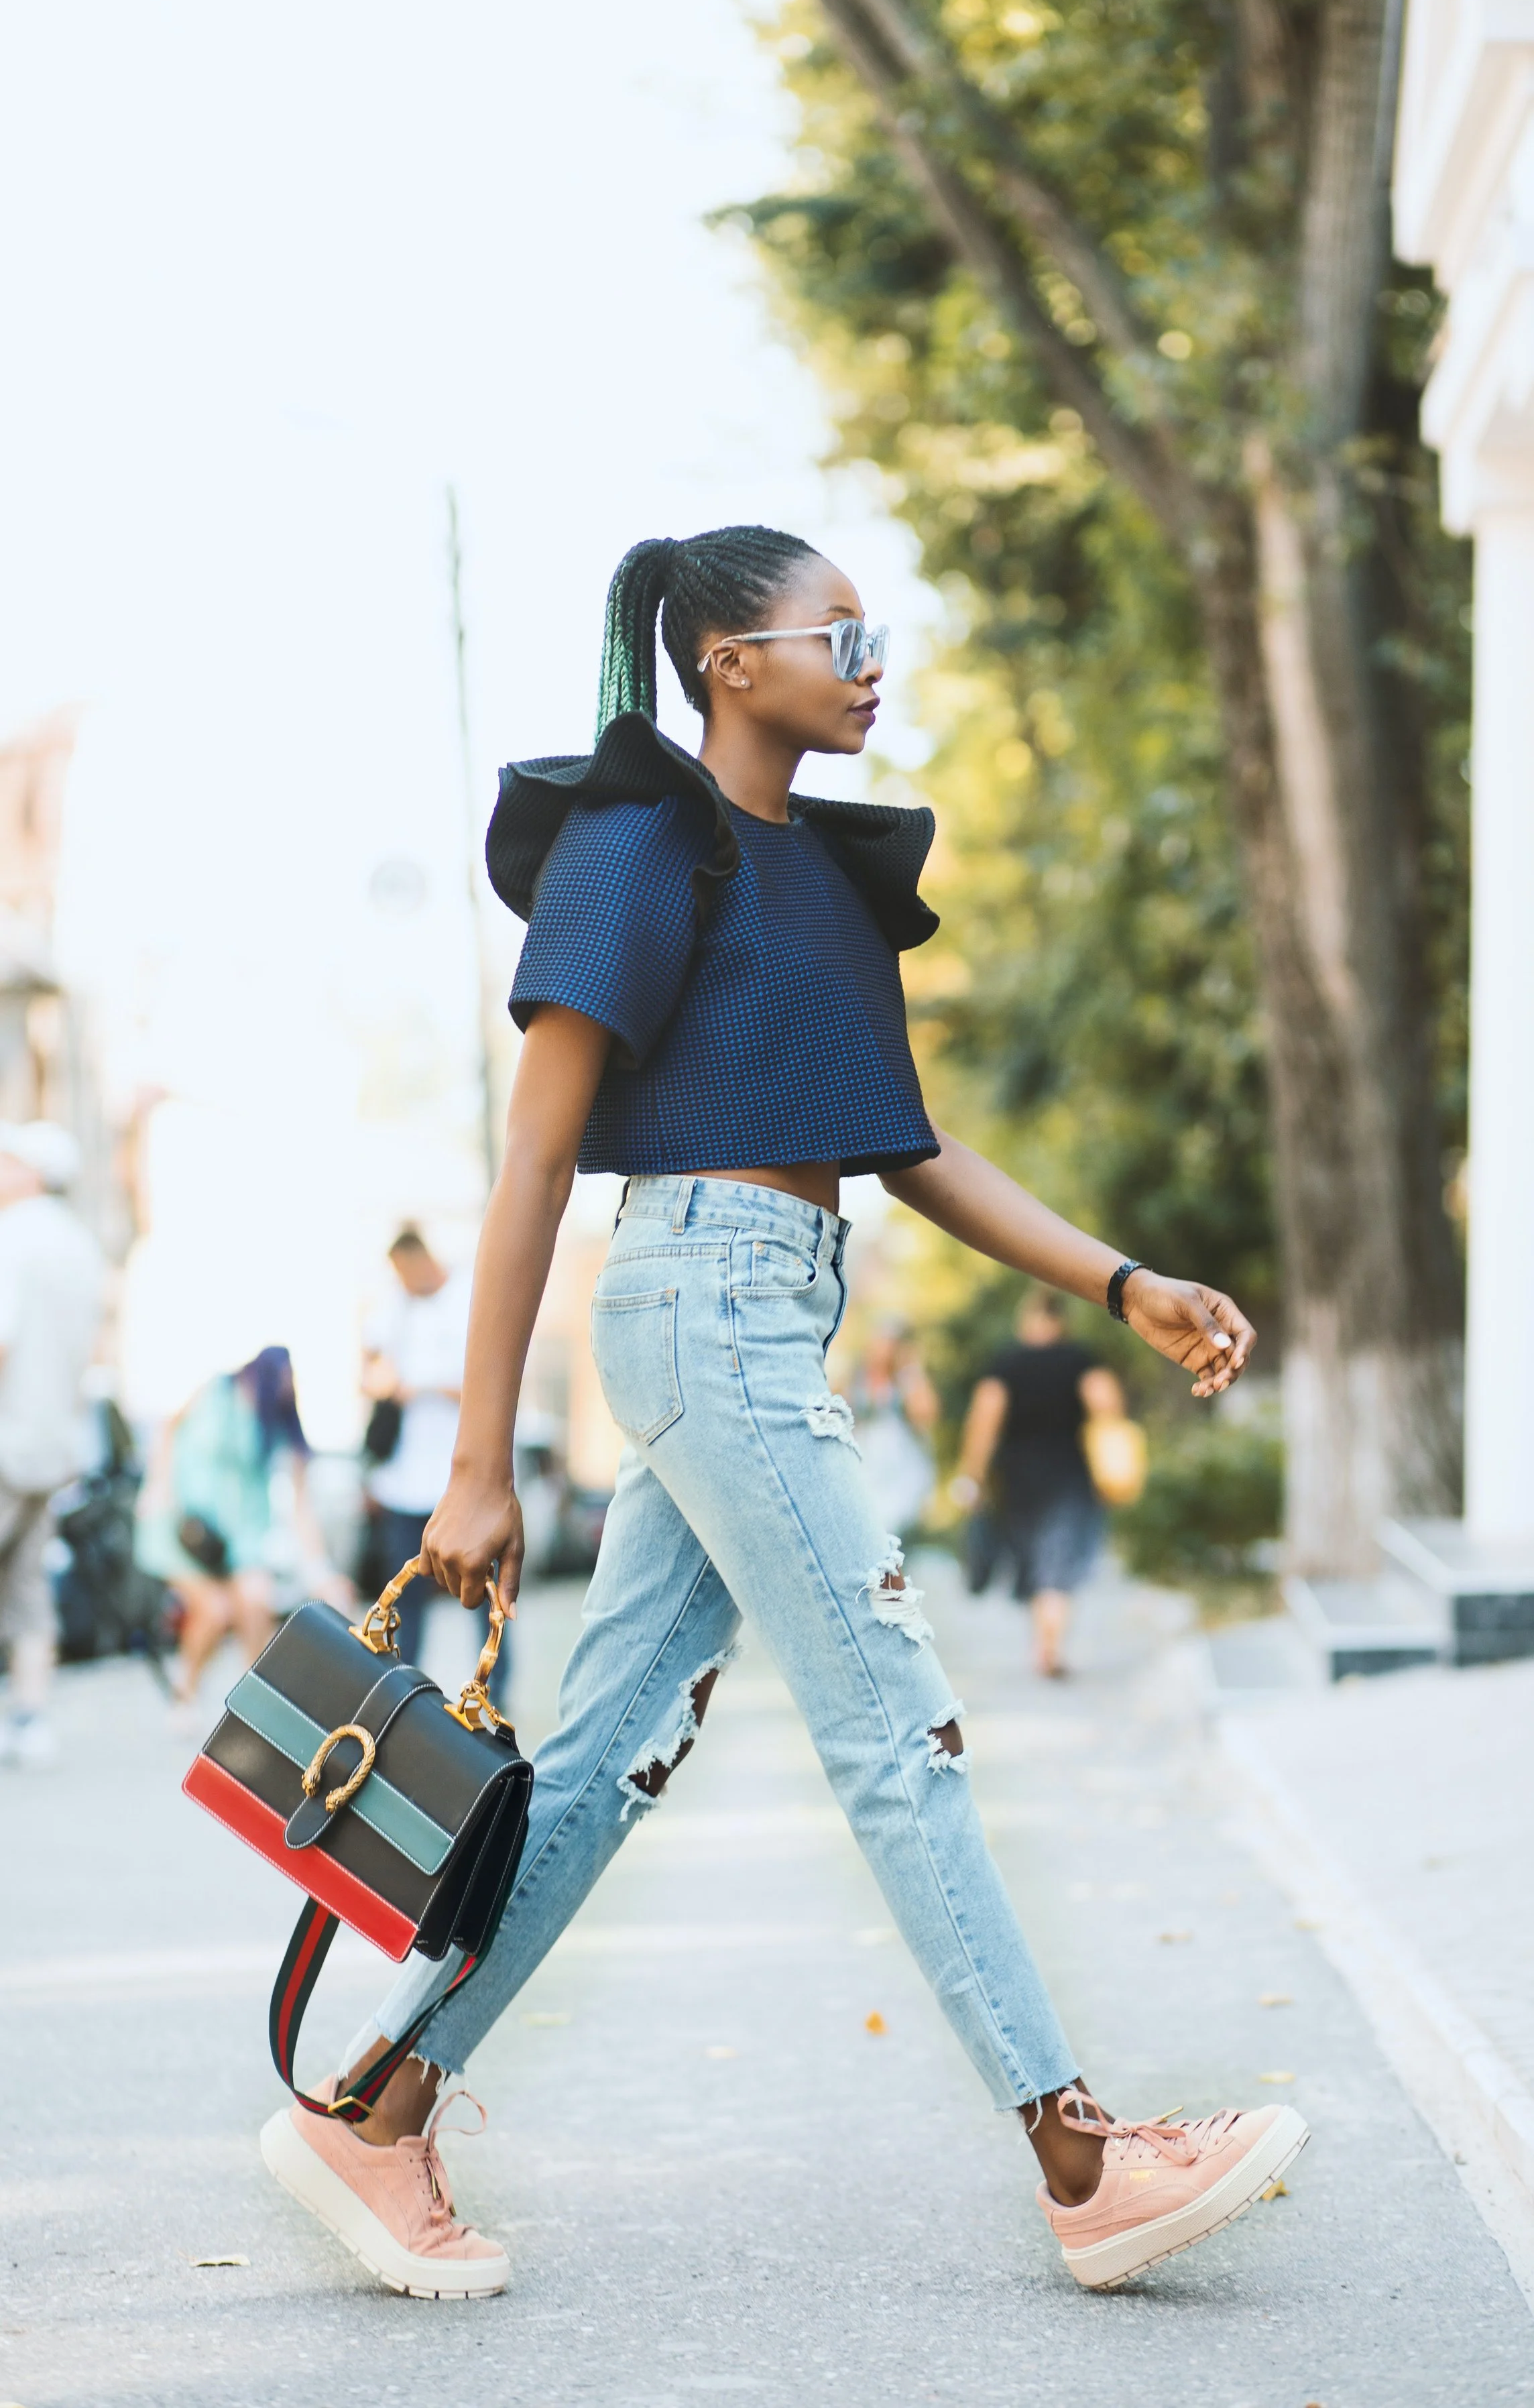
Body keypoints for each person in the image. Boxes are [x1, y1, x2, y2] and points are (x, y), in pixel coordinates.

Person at [259, 525, 1301, 2304]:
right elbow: (532, 1155)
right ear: (729, 660)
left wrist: (1123, 1282)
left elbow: (905, 1147)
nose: (873, 656)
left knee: (600, 1764)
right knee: (895, 1720)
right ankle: (1077, 2152)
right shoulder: (638, 840)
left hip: (770, 1315)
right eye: (840, 631)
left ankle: (375, 2107)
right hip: (695, 1303)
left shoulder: (822, 874)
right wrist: (474, 1456)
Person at [360, 1226, 506, 1706]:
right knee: (406, 1598)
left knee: (478, 1597)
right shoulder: (394, 1308)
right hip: (402, 1482)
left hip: (459, 1482)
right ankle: (403, 1692)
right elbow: (366, 1368)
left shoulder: (468, 1297)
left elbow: (488, 1383)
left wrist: (420, 1386)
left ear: (423, 1259)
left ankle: (490, 1694)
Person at [953, 1287, 1129, 1678]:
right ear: (1062, 1321)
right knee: (1060, 1564)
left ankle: (1043, 1643)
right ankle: (1050, 1647)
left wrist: (973, 1475)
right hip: (1070, 1474)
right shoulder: (1080, 1359)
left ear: (1028, 1319)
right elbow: (1107, 1405)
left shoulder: (1007, 1364)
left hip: (1018, 1480)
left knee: (1034, 1559)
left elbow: (984, 1421)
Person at [0, 1122, 106, 1766]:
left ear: (33, 1172)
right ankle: (30, 1717)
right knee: (27, 1584)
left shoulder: (14, 1236)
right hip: (53, 1446)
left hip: (5, 1437)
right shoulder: (80, 1245)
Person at [139, 1345, 316, 1704]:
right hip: (185, 1528)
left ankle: (255, 1701)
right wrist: (159, 1484)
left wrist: (319, 1567)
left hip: (240, 1537)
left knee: (256, 1601)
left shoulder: (276, 1419)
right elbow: (168, 1427)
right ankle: (185, 1692)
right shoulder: (215, 1390)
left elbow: (301, 1500)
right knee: (215, 1612)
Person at [845, 1314, 938, 1538]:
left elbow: (925, 1414)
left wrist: (910, 1370)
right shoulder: (855, 1378)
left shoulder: (907, 1378)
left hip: (900, 1471)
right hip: (865, 1466)